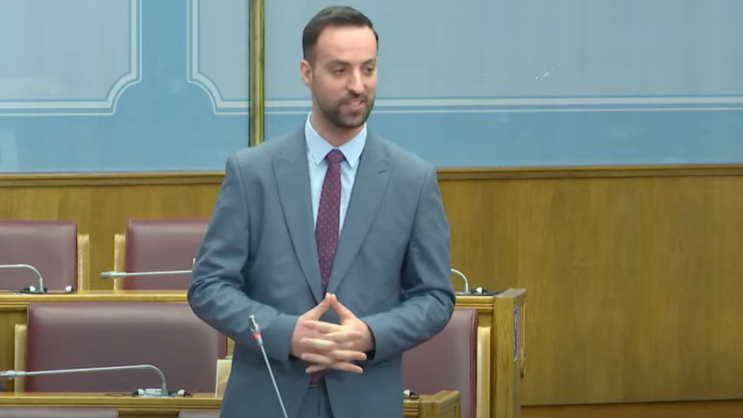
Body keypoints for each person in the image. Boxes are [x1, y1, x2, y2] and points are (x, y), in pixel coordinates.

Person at [188, 5, 455, 418]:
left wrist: (371, 334)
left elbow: (435, 297)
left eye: (368, 69)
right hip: (265, 400)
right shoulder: (253, 172)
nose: (357, 85)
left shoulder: (412, 180)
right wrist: (284, 333)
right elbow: (208, 286)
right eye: (340, 70)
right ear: (307, 73)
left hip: (365, 401)